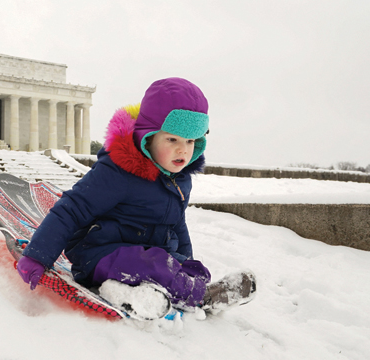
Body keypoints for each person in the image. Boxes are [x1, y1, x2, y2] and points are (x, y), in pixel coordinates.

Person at [17, 77, 255, 315]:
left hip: (151, 253)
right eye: (172, 139)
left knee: (189, 268)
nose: (183, 149)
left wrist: (184, 262)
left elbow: (177, 224)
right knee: (153, 264)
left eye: (190, 141)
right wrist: (38, 256)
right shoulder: (118, 171)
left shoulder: (180, 180)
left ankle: (175, 290)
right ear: (148, 137)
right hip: (100, 254)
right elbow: (72, 208)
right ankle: (196, 297)